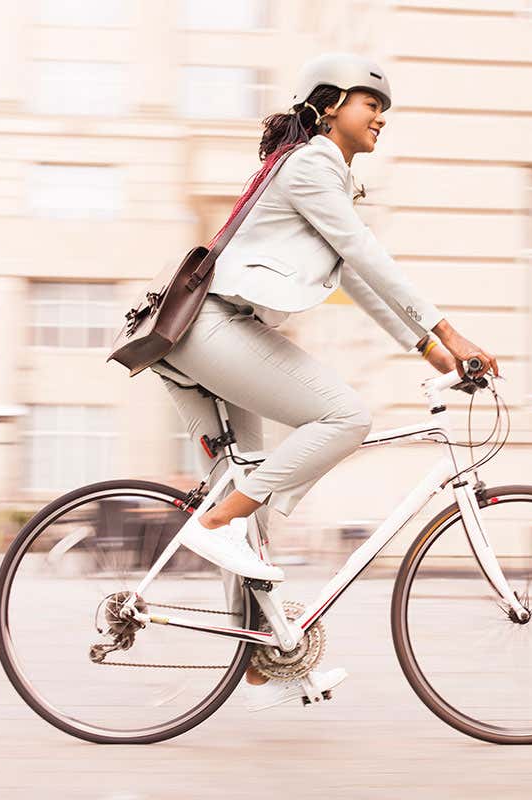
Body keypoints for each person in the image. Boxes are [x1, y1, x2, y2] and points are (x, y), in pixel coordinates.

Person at [153, 53, 499, 710]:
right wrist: (452, 334)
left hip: (208, 336)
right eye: (374, 105)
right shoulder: (312, 164)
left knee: (249, 483)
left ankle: (264, 663)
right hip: (216, 330)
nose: (381, 120)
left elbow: (353, 274)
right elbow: (369, 253)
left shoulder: (317, 173)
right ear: (333, 102)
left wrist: (428, 349)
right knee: (345, 417)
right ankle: (216, 525)